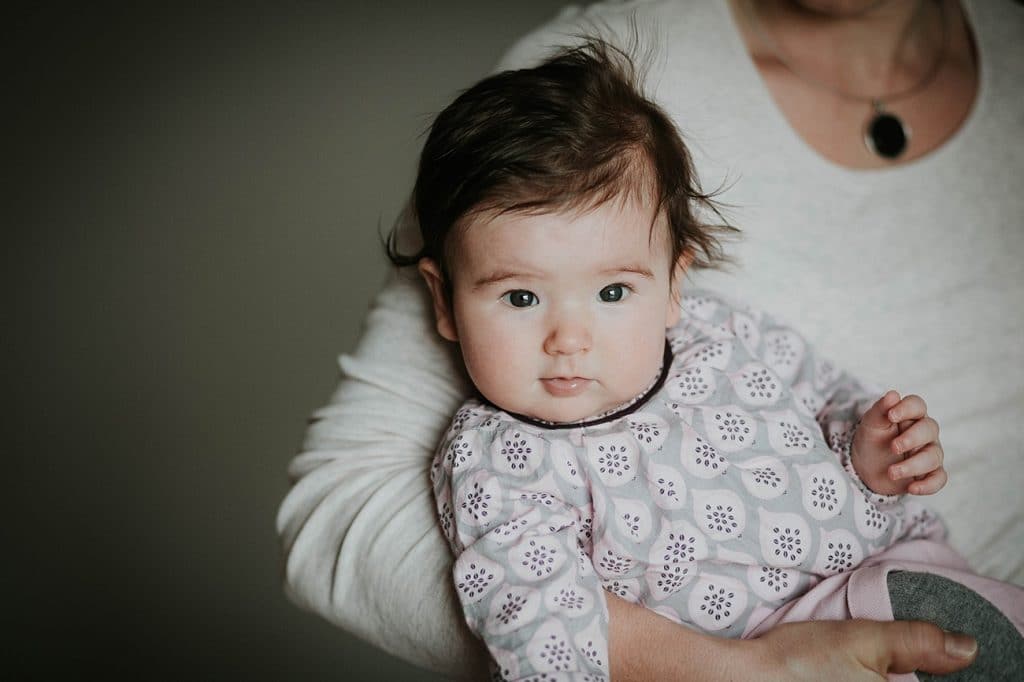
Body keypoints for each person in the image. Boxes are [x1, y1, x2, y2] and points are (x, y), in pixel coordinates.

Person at [276, 1, 1024, 679]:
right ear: (444, 302)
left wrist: (869, 450)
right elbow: (539, 620)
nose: (568, 337)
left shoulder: (720, 333)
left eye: (612, 292)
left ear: (674, 284)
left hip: (911, 559)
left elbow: (828, 398)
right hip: (779, 642)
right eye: (520, 296)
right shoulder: (503, 462)